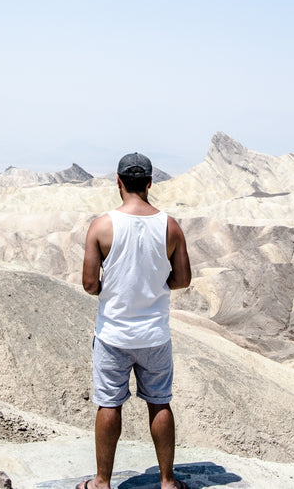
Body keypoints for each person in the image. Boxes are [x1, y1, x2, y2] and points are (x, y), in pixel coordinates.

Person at [78, 152, 192, 489]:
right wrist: (156, 286)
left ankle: (101, 482)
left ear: (118, 182)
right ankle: (168, 481)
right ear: (150, 183)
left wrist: (112, 289)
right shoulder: (169, 225)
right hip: (154, 334)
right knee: (159, 402)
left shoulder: (101, 226)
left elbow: (89, 284)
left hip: (113, 333)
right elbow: (183, 279)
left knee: (109, 404)